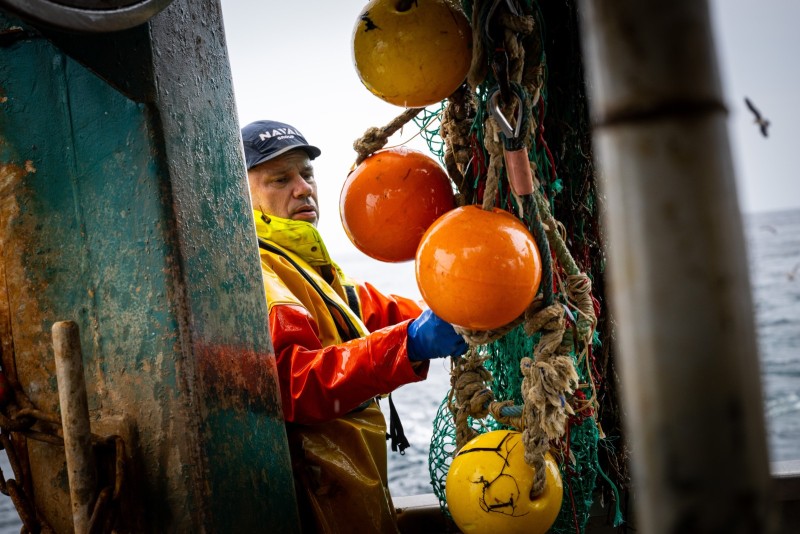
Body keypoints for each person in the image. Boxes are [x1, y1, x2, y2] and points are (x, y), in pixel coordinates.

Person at [241, 119, 468, 533]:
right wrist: (410, 344)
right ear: (240, 195)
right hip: (314, 505)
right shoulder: (258, 274)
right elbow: (293, 386)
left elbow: (375, 311)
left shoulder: (311, 270)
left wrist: (466, 303)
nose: (303, 188)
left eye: (306, 174)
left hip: (349, 497)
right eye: (280, 179)